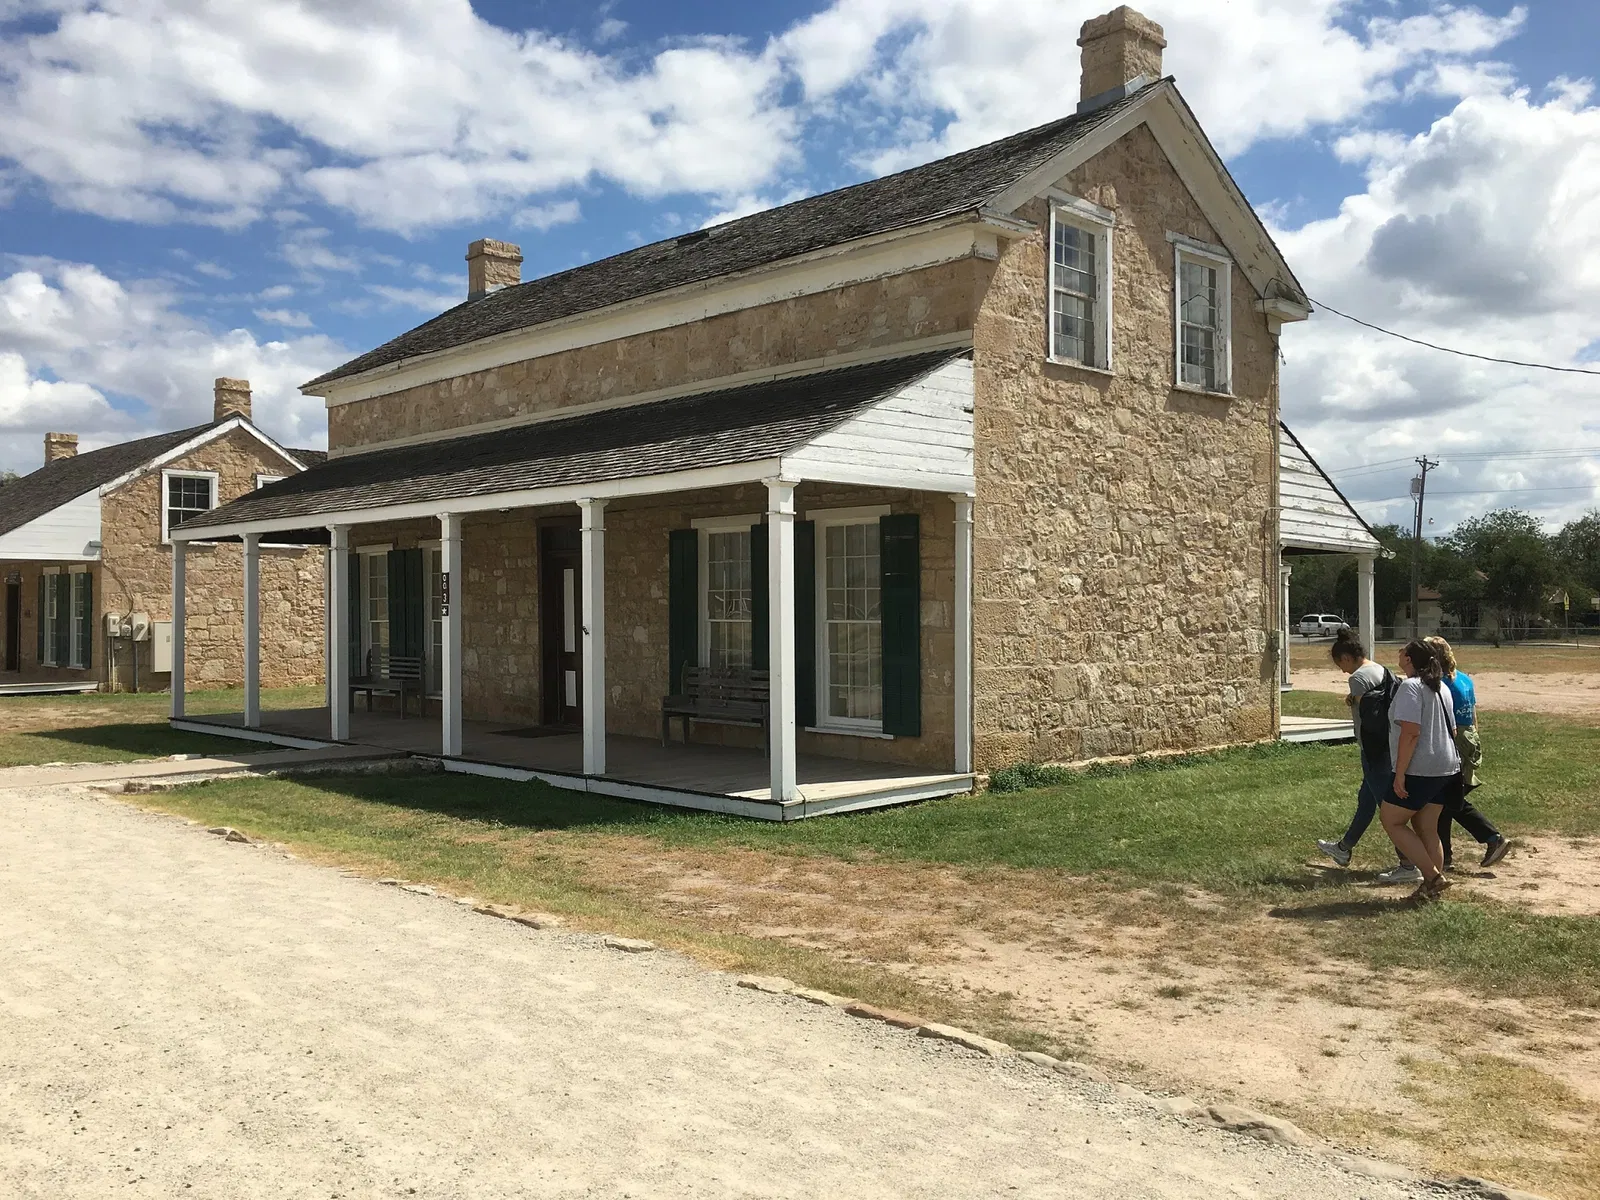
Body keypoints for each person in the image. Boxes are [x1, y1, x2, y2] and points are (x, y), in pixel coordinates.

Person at [1317, 632, 1418, 882]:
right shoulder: (1378, 668)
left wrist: (1355, 699)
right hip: (1387, 745)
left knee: (1388, 810)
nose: (1342, 671)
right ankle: (1344, 848)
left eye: (1340, 664)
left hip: (1374, 750)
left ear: (1346, 657)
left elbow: (1368, 714)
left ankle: (1408, 865)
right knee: (1366, 800)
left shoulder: (1358, 678)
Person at [1425, 636, 1512, 869]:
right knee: (1444, 803)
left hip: (1454, 741)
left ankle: (1493, 838)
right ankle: (1445, 858)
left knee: (1447, 801)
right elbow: (1473, 715)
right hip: (1470, 740)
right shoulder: (1464, 679)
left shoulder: (1440, 684)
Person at [1382, 639, 1458, 902]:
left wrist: (1400, 773)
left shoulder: (1410, 687)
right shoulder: (1441, 687)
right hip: (1447, 766)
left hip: (1421, 768)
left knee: (1391, 820)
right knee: (1427, 826)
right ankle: (1431, 888)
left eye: (1403, 651)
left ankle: (1433, 877)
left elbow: (1411, 732)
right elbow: (1453, 729)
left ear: (1409, 660)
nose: (1399, 653)